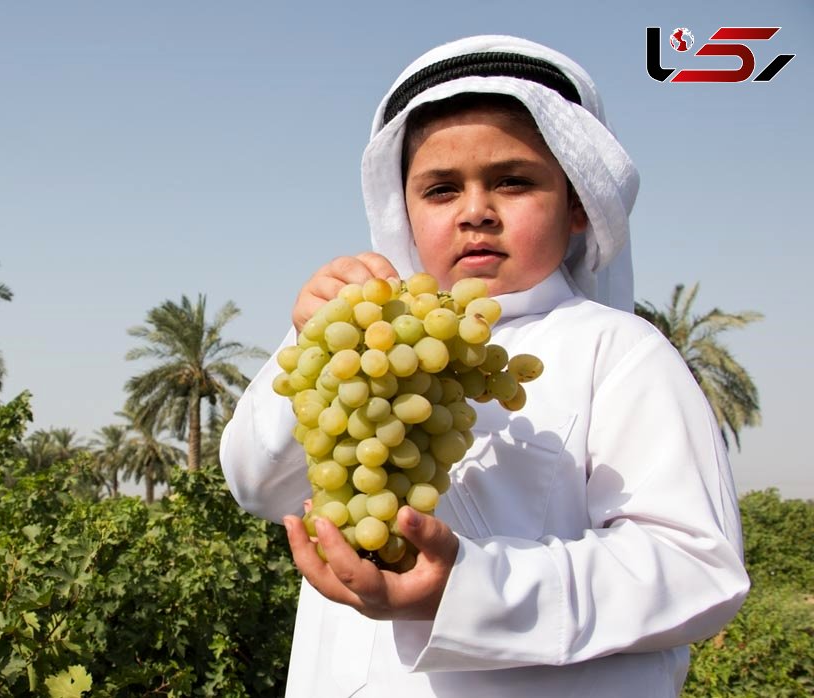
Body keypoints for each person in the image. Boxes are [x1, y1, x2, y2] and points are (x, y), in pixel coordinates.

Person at [219, 35, 749, 698]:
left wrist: (469, 591)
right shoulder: (363, 345)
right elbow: (255, 486)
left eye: (513, 181)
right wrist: (306, 345)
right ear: (403, 216)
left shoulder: (622, 353)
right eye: (441, 190)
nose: (476, 211)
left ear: (578, 204)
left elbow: (697, 571)